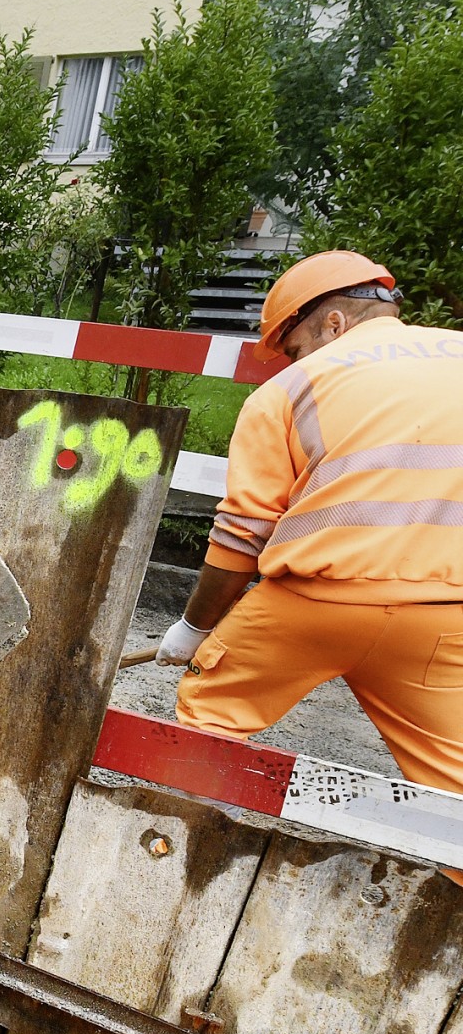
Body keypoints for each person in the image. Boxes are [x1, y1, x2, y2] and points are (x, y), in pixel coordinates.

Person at [156, 250, 463, 805]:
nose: (289, 362)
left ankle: (169, 845)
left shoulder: (288, 391)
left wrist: (196, 628)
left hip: (311, 608)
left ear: (334, 322)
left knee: (204, 723)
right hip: (443, 619)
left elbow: (241, 535)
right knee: (456, 789)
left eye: (293, 348)